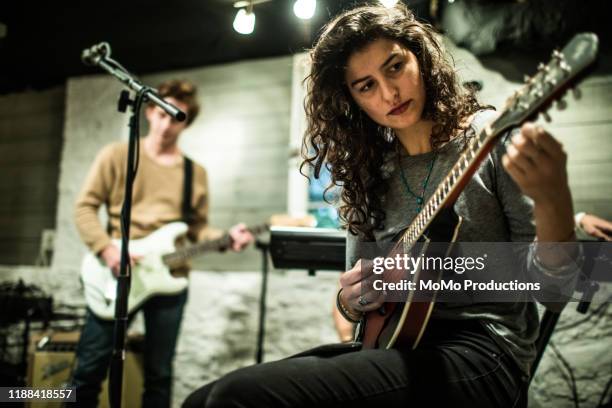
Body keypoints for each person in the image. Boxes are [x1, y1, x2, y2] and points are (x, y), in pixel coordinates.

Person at [183, 5, 582, 407]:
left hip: (484, 351)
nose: (389, 93)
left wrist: (554, 200)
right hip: (394, 346)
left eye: (394, 68)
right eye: (366, 86)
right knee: (201, 400)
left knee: (236, 398)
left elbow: (553, 291)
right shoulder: (368, 173)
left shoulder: (490, 142)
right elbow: (354, 307)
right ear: (351, 100)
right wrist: (349, 299)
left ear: (421, 60)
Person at [72, 79, 254, 407]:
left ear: (186, 121)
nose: (167, 124)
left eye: (176, 117)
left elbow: (198, 230)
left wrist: (227, 239)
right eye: (162, 113)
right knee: (88, 369)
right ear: (151, 111)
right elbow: (84, 207)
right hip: (118, 273)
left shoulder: (193, 173)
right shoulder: (116, 156)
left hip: (171, 280)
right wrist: (108, 249)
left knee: (159, 374)